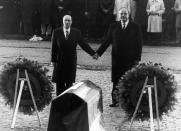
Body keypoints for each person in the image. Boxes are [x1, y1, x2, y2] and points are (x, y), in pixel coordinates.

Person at [93, 7, 143, 107]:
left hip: (130, 59)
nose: (123, 15)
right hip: (116, 58)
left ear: (128, 15)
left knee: (129, 79)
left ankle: (129, 101)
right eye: (122, 14)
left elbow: (139, 44)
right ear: (119, 15)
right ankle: (115, 100)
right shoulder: (113, 26)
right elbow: (107, 41)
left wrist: (137, 59)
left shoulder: (135, 27)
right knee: (116, 79)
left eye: (125, 13)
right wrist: (98, 53)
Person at [51, 15, 96, 96]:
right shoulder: (56, 32)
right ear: (63, 21)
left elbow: (83, 44)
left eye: (69, 20)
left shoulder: (76, 32)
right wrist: (53, 60)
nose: (67, 22)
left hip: (71, 61)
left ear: (71, 22)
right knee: (59, 84)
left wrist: (93, 53)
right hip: (59, 61)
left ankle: (68, 103)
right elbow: (53, 47)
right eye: (65, 20)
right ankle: (59, 102)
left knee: (69, 84)